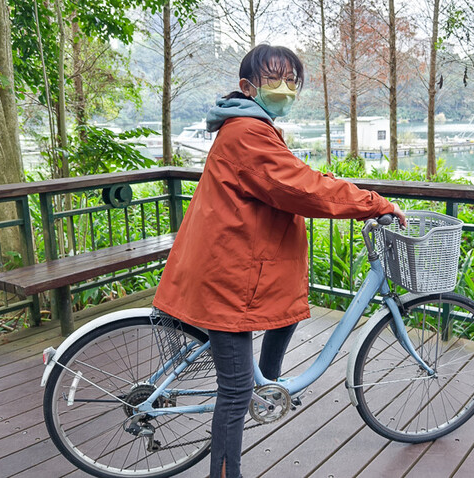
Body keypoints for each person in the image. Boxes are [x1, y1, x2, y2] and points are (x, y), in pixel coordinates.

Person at [152, 44, 405, 478]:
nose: (284, 88)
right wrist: (373, 202)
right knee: (234, 390)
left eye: (292, 80)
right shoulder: (248, 133)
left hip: (238, 264)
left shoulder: (251, 126)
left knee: (287, 312)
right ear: (248, 86)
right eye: (274, 79)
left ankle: (266, 384)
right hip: (228, 277)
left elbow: (294, 179)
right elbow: (302, 188)